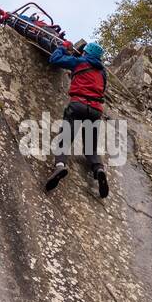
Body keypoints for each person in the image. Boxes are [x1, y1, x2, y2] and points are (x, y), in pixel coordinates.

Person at [45, 41, 110, 199]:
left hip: (78, 105)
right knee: (90, 148)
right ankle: (98, 169)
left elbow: (55, 59)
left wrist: (63, 47)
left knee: (64, 141)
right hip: (95, 111)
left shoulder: (80, 62)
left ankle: (60, 166)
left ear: (86, 53)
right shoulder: (102, 72)